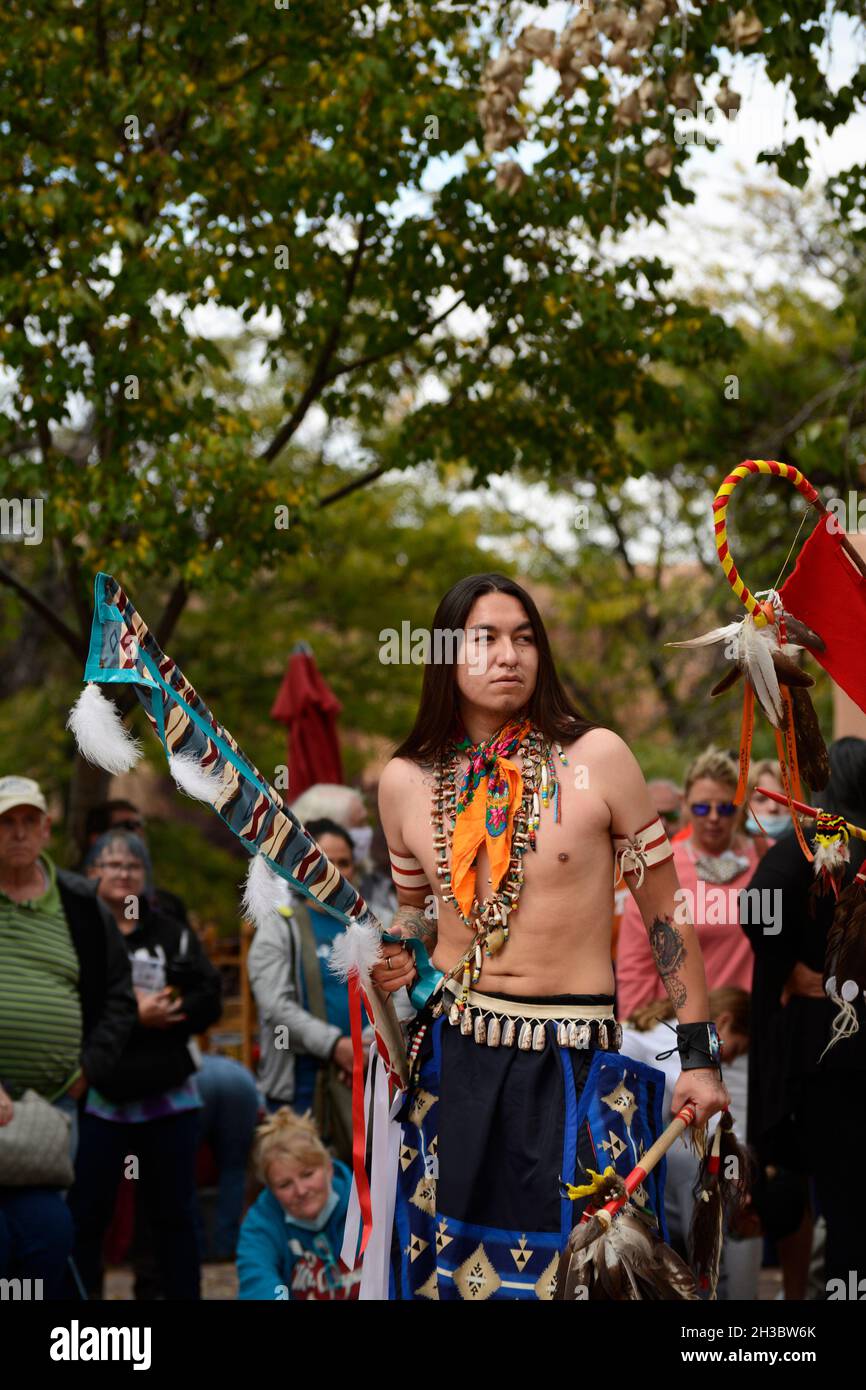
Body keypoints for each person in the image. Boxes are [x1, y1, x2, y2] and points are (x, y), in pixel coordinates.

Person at [372, 573, 728, 1301]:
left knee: (591, 1278)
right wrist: (397, 944)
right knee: (454, 1282)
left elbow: (666, 917)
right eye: (486, 638)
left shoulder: (599, 757)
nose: (510, 654)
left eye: (525, 637)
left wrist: (700, 1058)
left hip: (575, 1066)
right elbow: (415, 909)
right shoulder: (405, 781)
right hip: (452, 1063)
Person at [68, 829, 222, 1299]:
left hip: (168, 1101)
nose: (123, 873)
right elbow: (75, 1007)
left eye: (132, 865)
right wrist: (137, 1014)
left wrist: (171, 1006)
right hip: (98, 1100)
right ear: (91, 875)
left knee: (174, 1218)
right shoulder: (79, 936)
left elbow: (209, 996)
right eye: (111, 865)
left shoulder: (171, 932)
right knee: (86, 1217)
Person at [0, 775, 136, 1298]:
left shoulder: (80, 901)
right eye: (5, 823)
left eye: (26, 822)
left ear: (45, 829)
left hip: (59, 1104)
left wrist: (89, 1072)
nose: (16, 833)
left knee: (48, 1232)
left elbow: (119, 996)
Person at [739, 737, 866, 1299]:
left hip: (827, 1051)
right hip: (838, 1044)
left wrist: (788, 961)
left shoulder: (820, 839)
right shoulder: (829, 841)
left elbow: (755, 905)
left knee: (843, 1201)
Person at [620, 988, 758, 1298]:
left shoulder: (650, 1029)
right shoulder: (682, 1051)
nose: (732, 1059)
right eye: (734, 1050)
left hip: (634, 1149)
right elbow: (703, 1119)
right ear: (722, 1023)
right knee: (706, 1174)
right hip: (629, 1151)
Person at [247, 819, 364, 1164]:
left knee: (367, 1187)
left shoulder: (369, 923)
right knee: (302, 1184)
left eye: (344, 862)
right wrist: (335, 1046)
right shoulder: (279, 924)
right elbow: (274, 1005)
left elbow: (394, 994)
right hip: (299, 1085)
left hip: (364, 1075)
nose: (336, 871)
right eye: (325, 861)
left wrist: (368, 1046)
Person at [616, 747, 757, 1018]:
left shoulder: (768, 861)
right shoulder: (660, 868)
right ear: (685, 805)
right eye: (702, 807)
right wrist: (636, 1029)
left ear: (741, 808)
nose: (714, 818)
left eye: (726, 808)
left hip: (753, 1033)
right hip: (679, 1034)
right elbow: (636, 962)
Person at [236, 1108, 359, 1300]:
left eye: (307, 1174)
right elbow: (258, 1284)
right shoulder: (259, 1226)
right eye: (285, 1185)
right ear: (271, 1189)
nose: (301, 1191)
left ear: (328, 1168)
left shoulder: (366, 1205)